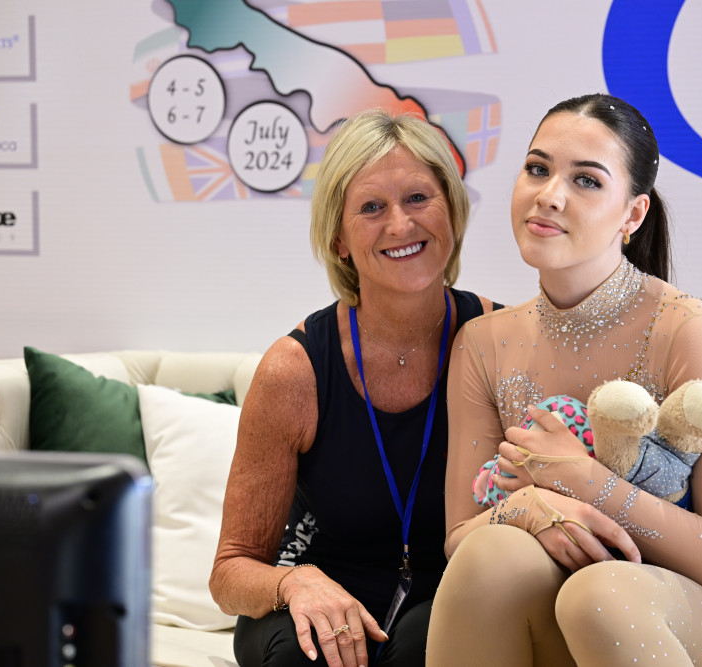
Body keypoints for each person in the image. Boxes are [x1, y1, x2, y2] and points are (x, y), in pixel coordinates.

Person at [426, 93, 702, 666]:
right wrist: (530, 504)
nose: (549, 195)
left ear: (632, 215)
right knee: (491, 553)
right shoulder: (482, 343)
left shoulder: (687, 328)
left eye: (586, 181)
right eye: (538, 168)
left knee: (599, 594)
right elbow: (461, 533)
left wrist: (585, 480)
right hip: (574, 618)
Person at [209, 109, 495, 667]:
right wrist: (294, 585)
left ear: (454, 212)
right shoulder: (293, 370)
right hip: (316, 599)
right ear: (338, 238)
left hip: (447, 596)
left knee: (433, 646)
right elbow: (230, 571)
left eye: (418, 198)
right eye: (371, 207)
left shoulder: (504, 343)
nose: (400, 225)